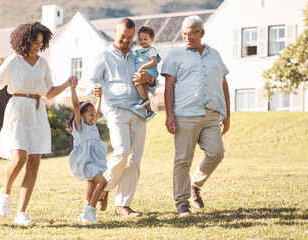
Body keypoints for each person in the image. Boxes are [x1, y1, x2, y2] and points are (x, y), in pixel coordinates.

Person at [0, 22, 75, 225]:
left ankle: (21, 213)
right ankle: (5, 191)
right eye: (35, 41)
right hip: (17, 109)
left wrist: (66, 84)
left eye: (41, 42)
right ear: (24, 40)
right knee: (19, 158)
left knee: (34, 162)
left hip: (38, 111)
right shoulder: (13, 61)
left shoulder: (42, 63)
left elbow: (49, 92)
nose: (38, 45)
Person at [161, 15, 231, 217]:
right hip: (185, 114)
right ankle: (182, 203)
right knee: (182, 159)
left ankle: (195, 185)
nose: (188, 37)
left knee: (216, 153)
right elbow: (169, 86)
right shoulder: (175, 55)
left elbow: (224, 84)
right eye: (184, 33)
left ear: (202, 33)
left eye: (192, 33)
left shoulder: (214, 54)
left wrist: (226, 115)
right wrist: (169, 116)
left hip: (211, 113)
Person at [88, 18, 157, 217]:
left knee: (134, 159)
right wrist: (94, 88)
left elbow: (153, 81)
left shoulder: (138, 56)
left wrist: (149, 79)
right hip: (116, 108)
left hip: (139, 110)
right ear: (115, 32)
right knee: (122, 150)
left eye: (129, 37)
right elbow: (92, 80)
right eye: (122, 36)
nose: (126, 40)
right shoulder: (103, 55)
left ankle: (122, 205)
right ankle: (104, 189)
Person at [66, 82, 108, 223]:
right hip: (85, 162)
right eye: (90, 115)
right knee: (102, 182)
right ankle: (91, 210)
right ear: (81, 115)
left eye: (94, 115)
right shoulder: (80, 125)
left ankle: (84, 214)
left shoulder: (92, 124)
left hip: (93, 161)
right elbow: (76, 106)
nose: (93, 117)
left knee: (91, 187)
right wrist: (73, 89)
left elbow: (96, 110)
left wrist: (99, 97)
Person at [134, 25, 161, 121]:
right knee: (145, 91)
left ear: (152, 39)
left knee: (136, 80)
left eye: (145, 39)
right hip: (145, 70)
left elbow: (153, 61)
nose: (142, 41)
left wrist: (142, 67)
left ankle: (143, 99)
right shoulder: (138, 51)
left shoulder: (151, 50)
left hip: (150, 70)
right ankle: (149, 111)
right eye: (140, 39)